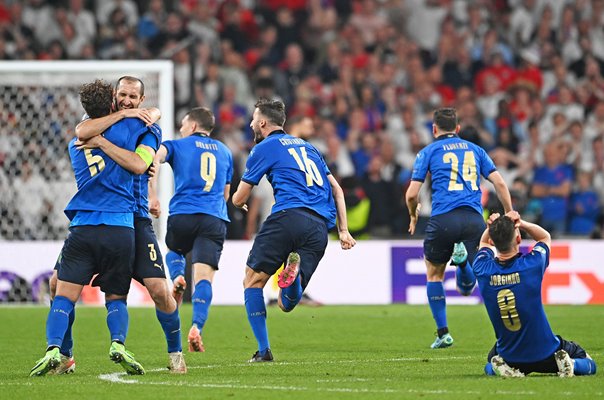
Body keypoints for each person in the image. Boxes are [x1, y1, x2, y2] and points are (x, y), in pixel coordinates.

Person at [48, 76, 186, 374]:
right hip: (107, 217)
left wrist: (150, 191)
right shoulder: (100, 120)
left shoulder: (145, 127)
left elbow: (144, 162)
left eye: (133, 97)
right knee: (55, 284)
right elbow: (82, 129)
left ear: (141, 101)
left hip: (135, 217)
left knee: (160, 290)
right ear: (114, 96)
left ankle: (175, 352)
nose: (127, 100)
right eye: (122, 94)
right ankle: (65, 355)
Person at [232, 99, 356, 362]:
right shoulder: (311, 149)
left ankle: (264, 350)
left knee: (252, 282)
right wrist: (343, 231)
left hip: (287, 217)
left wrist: (238, 202)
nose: (252, 123)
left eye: (254, 119)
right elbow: (337, 190)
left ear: (263, 122)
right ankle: (294, 278)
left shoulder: (264, 147)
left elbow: (239, 196)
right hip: (318, 228)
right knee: (287, 304)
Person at [405, 107, 513, 349]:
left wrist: (413, 215)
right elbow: (500, 183)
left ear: (434, 129)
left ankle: (443, 333)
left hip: (443, 220)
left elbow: (412, 194)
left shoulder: (428, 151)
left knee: (434, 275)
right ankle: (463, 264)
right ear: (458, 129)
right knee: (472, 285)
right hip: (474, 219)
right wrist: (510, 213)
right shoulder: (477, 150)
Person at [149, 107, 233, 353]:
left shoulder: (176, 145)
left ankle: (176, 276)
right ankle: (197, 326)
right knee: (204, 278)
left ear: (193, 126)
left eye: (184, 125)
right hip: (214, 217)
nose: (181, 129)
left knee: (174, 250)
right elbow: (226, 193)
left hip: (183, 214)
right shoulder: (226, 152)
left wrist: (152, 195)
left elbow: (153, 159)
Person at [474, 211, 597, 377]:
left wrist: (493, 227)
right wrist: (521, 223)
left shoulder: (482, 269)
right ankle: (572, 364)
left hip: (511, 356)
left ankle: (502, 367)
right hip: (547, 352)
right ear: (518, 239)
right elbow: (544, 238)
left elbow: (483, 242)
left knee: (490, 362)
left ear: (492, 241)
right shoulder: (531, 265)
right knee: (590, 364)